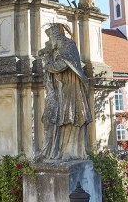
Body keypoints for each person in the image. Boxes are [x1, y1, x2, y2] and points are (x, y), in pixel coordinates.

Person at [37, 23, 92, 161]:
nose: (50, 42)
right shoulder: (61, 48)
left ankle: (72, 151)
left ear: (57, 37)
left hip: (72, 89)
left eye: (51, 39)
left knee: (72, 117)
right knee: (63, 119)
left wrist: (47, 60)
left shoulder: (68, 46)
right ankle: (62, 151)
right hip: (63, 89)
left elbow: (60, 66)